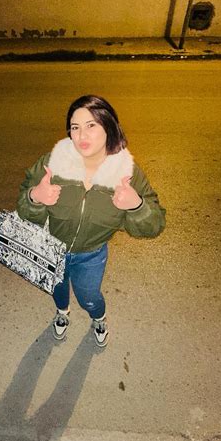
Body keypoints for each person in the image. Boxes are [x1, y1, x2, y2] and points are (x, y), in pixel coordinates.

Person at [16, 95, 166, 347]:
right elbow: (23, 206)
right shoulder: (51, 163)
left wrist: (136, 205)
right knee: (57, 288)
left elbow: (155, 224)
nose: (81, 135)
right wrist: (35, 197)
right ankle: (62, 312)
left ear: (108, 126)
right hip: (52, 247)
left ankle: (99, 318)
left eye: (91, 125)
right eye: (75, 127)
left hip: (91, 254)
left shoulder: (127, 172)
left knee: (89, 296)